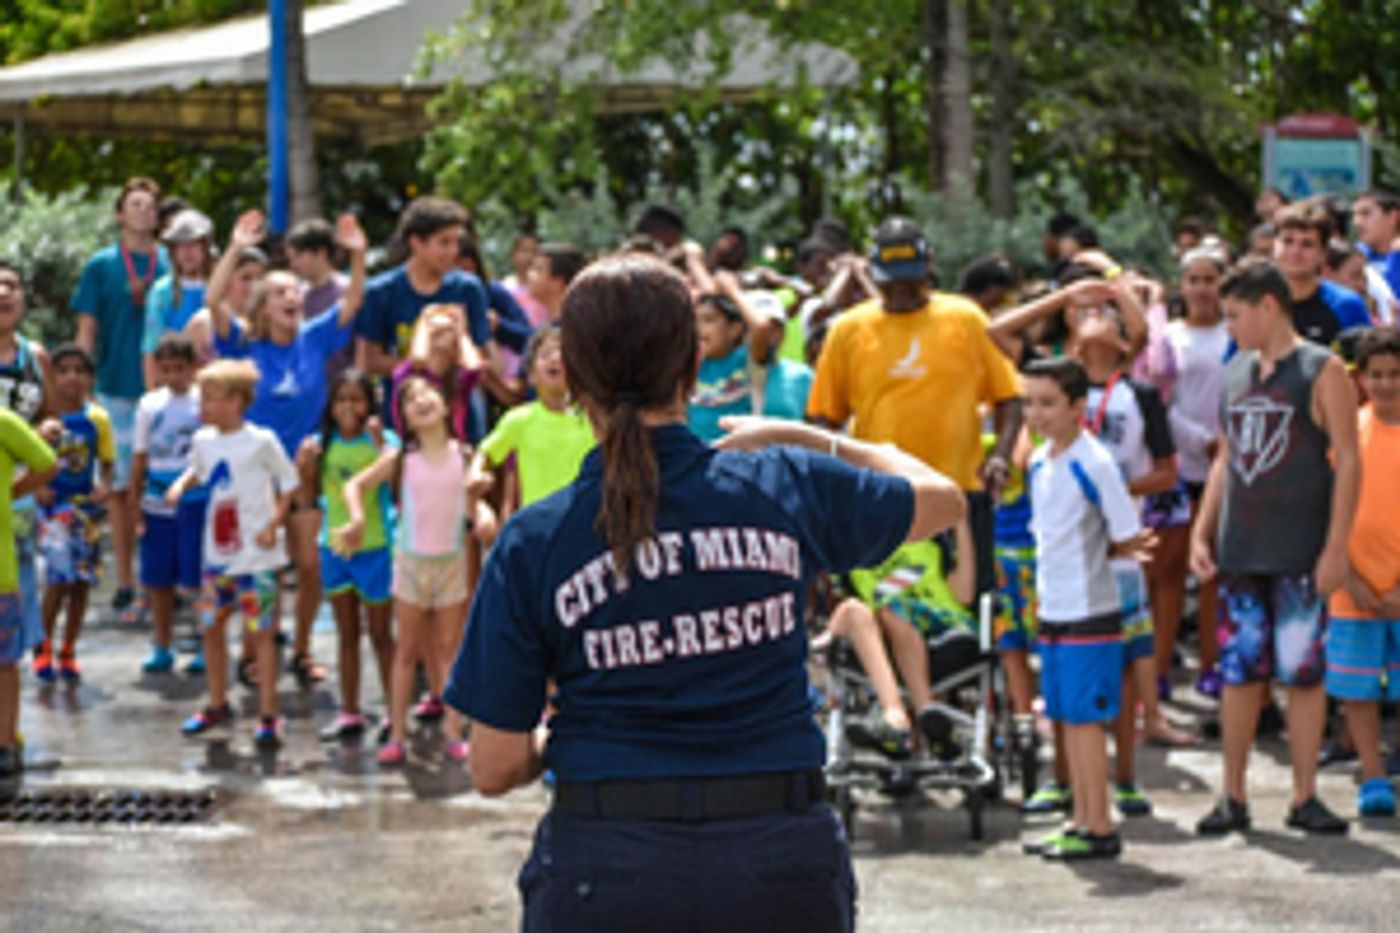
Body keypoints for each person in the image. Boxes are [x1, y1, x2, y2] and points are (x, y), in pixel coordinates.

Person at [444, 255, 963, 931]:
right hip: (778, 865)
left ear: (568, 376)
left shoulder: (535, 539)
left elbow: (493, 766)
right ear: (692, 366)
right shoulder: (780, 483)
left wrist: (575, 735)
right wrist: (807, 436)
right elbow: (943, 499)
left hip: (606, 868)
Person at [1192, 261, 1360, 837]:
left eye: (1235, 315)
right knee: (1239, 672)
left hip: (1300, 548)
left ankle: (1304, 794)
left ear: (1268, 306)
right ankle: (1232, 794)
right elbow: (1225, 457)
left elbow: (1348, 459)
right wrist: (1203, 530)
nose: (1229, 326)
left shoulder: (1321, 368)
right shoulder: (1235, 370)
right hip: (1241, 548)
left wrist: (1336, 546)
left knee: (1303, 674)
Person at [808, 216, 1023, 600]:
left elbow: (1009, 396)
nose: (901, 289)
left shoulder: (965, 318)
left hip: (957, 493)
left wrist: (1001, 455)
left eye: (909, 279)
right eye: (890, 281)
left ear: (928, 265)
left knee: (968, 605)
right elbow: (824, 416)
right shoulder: (849, 329)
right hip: (880, 495)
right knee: (887, 605)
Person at [209, 209, 367, 689]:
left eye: (294, 291)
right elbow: (213, 299)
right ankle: (254, 652)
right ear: (261, 306)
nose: (292, 297)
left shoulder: (314, 336)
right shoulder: (244, 343)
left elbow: (352, 301)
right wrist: (236, 248)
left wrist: (357, 256)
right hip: (256, 473)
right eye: (279, 293)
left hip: (305, 470)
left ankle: (300, 650)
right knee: (262, 569)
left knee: (310, 565)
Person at [1021, 356, 1150, 861]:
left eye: (1048, 403)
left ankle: (1099, 826)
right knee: (1066, 718)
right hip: (1053, 608)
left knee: (1086, 722)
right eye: (1029, 402)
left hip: (1090, 611)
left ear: (1078, 406)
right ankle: (1078, 819)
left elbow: (1127, 534)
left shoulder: (1095, 462)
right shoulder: (1039, 461)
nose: (1036, 414)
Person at [338, 377, 481, 766]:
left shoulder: (464, 455)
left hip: (452, 562)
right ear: (403, 418)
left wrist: (484, 514)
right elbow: (355, 486)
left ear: (446, 404)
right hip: (412, 564)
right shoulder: (402, 459)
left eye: (426, 394)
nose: (420, 401)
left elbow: (473, 505)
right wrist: (356, 520)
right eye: (409, 399)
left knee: (449, 650)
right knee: (406, 652)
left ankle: (454, 732)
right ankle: (398, 734)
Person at [167, 360, 299, 747]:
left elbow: (288, 482)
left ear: (237, 401)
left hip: (257, 557)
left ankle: (269, 712)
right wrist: (180, 485)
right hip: (218, 556)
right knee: (211, 628)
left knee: (262, 634)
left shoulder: (261, 440)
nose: (204, 406)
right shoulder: (203, 441)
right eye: (203, 398)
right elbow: (198, 470)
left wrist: (275, 522)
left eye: (212, 398)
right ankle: (217, 701)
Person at [71, 176, 170, 620]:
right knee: (119, 490)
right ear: (119, 214)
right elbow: (87, 329)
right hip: (114, 388)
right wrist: (80, 384)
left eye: (150, 206)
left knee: (157, 488)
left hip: (164, 390)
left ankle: (159, 580)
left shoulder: (170, 263)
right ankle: (126, 581)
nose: (143, 212)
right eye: (135, 204)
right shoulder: (102, 265)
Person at [1324, 326, 1400, 817]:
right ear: (1361, 378)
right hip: (1354, 588)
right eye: (1378, 374)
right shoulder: (1348, 432)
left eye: (1396, 374)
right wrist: (1349, 577)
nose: (1386, 384)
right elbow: (1327, 510)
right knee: (1358, 689)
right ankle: (1372, 774)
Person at [298, 370, 396, 742]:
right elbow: (307, 498)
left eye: (357, 399)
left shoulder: (384, 442)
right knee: (347, 635)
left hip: (376, 548)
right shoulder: (321, 443)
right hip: (335, 550)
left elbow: (397, 488)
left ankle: (393, 711)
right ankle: (350, 710)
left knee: (382, 636)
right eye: (341, 399)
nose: (348, 407)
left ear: (370, 404)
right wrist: (305, 468)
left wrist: (380, 444)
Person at [1165, 247, 1231, 698]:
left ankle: (1212, 662)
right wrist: (1199, 440)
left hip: (1227, 468)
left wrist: (1224, 443)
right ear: (1182, 285)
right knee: (1169, 572)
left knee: (1214, 574)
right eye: (1195, 280)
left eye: (1211, 279)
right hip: (1181, 466)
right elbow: (1163, 401)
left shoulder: (1236, 333)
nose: (1203, 289)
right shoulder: (1169, 337)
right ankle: (1161, 666)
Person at [33, 344, 115, 684]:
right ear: (50, 378)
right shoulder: (42, 420)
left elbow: (107, 462)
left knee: (81, 584)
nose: (72, 378)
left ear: (91, 379)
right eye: (63, 371)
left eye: (80, 371)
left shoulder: (98, 418)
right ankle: (43, 646)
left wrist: (105, 486)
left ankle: (69, 649)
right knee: (57, 581)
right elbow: (27, 456)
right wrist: (37, 487)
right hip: (54, 511)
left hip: (86, 511)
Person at [354, 196, 494, 385]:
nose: (454, 251)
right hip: (404, 397)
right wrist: (424, 368)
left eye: (457, 242)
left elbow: (481, 353)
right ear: (416, 243)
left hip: (457, 398)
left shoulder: (468, 288)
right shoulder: (380, 292)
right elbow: (371, 361)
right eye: (444, 243)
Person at [131, 334, 206, 675]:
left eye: (180, 368)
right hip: (157, 502)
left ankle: (205, 642)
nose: (174, 376)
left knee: (197, 579)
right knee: (158, 579)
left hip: (196, 501)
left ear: (193, 367)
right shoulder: (149, 406)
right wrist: (135, 505)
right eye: (167, 369)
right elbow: (140, 458)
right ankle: (162, 644)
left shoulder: (203, 402)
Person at [470, 325, 593, 517]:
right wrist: (476, 472)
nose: (555, 358)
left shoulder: (594, 418)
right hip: (538, 522)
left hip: (584, 519)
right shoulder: (519, 419)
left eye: (564, 355)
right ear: (532, 377)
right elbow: (487, 452)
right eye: (545, 355)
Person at [0, 260, 54, 674]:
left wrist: (45, 434)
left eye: (11, 285)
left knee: (18, 596)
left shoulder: (35, 357)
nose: (3, 292)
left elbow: (52, 415)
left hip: (22, 495)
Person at [0, 408, 58, 776]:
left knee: (4, 662)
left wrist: (14, 490)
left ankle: (6, 740)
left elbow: (47, 462)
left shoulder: (3, 422)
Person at [1272, 203, 1371, 347]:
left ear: (1324, 254)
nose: (1295, 252)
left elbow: (1368, 358)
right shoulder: (1254, 302)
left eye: (1307, 244)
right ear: (1274, 246)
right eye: (1288, 241)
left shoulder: (1346, 304)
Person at [142, 208, 214, 388]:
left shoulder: (219, 285)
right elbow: (151, 345)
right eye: (180, 245)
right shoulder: (162, 291)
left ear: (205, 247)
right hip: (176, 381)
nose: (187, 252)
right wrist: (153, 390)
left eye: (193, 244)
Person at [285, 218, 350, 382]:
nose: (293, 264)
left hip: (342, 385)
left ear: (321, 252)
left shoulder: (347, 291)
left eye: (298, 256)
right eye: (291, 258)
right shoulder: (296, 295)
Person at [1352, 189, 1400, 299]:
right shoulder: (1353, 255)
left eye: (1365, 213)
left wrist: (1396, 258)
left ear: (1393, 217)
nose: (1356, 222)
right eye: (1355, 215)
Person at [524, 242, 588, 324]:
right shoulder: (546, 325)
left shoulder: (571, 328)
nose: (529, 274)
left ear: (558, 282)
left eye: (538, 270)